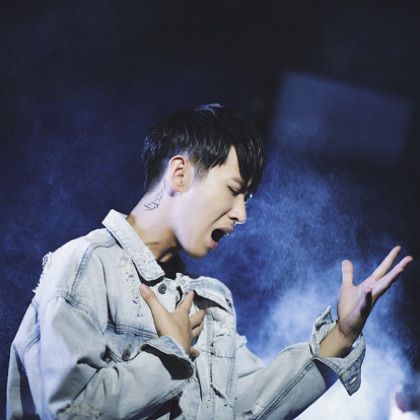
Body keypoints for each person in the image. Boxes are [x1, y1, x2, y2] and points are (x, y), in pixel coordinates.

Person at [7, 104, 413, 419]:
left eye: (247, 199)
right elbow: (68, 412)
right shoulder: (86, 263)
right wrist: (170, 353)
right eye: (234, 191)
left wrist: (341, 335)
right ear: (179, 174)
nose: (242, 215)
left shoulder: (208, 303)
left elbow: (251, 408)